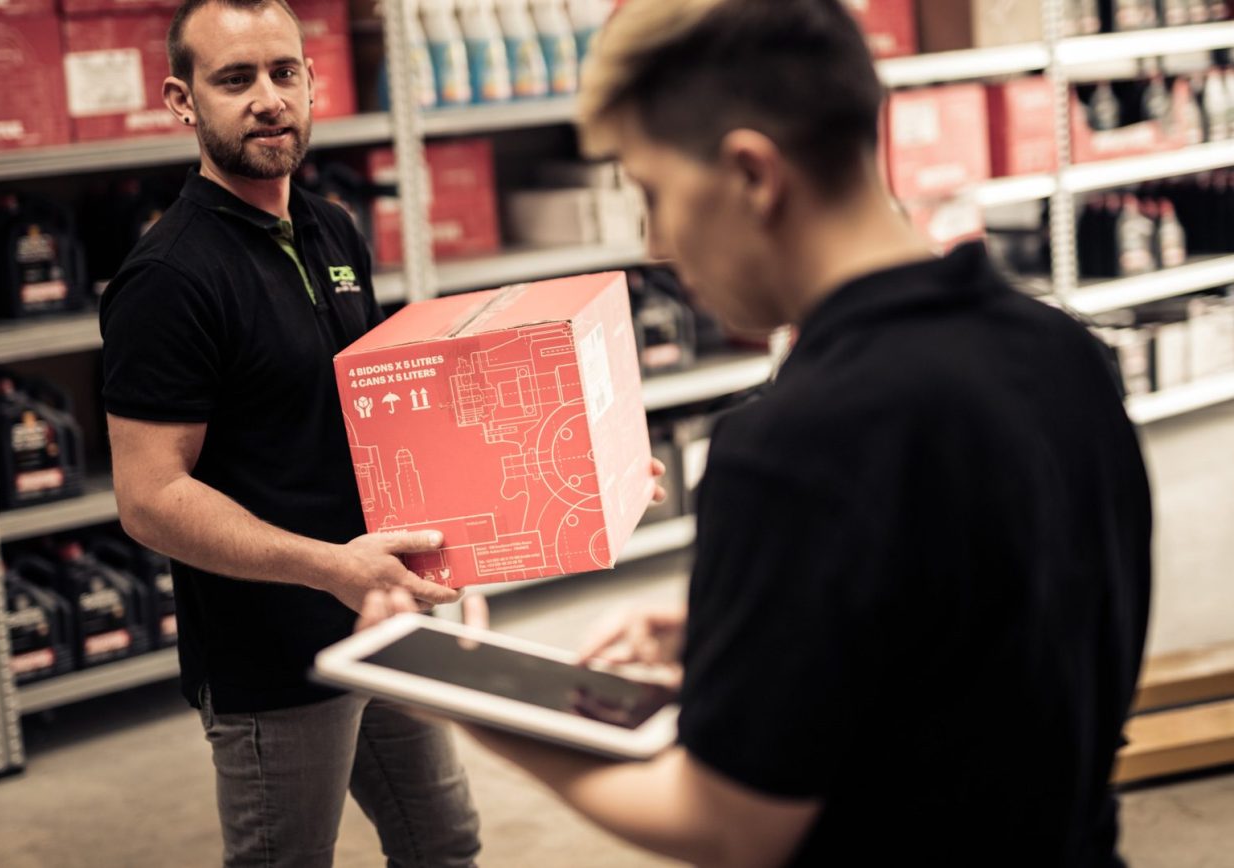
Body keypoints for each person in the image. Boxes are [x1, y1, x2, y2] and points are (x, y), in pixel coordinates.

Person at [362, 1, 1153, 866]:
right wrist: (752, 624)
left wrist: (483, 704)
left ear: (752, 174)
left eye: (653, 190)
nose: (655, 240)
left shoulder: (794, 447)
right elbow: (988, 629)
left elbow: (730, 824)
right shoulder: (1063, 351)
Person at [99, 1, 482, 865]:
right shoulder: (168, 279)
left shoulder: (331, 226)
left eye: (283, 72)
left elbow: (383, 413)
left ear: (312, 82)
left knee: (444, 843)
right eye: (235, 79)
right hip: (271, 656)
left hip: (379, 611)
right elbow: (150, 498)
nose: (268, 98)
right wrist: (331, 568)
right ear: (182, 100)